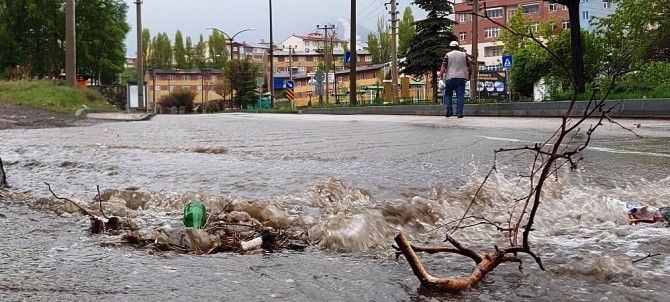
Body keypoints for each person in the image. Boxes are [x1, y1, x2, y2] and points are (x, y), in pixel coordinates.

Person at [440, 41, 474, 118]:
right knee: (460, 95)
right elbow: (470, 67)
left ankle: (449, 110)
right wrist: (469, 75)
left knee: (448, 94)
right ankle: (459, 113)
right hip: (462, 78)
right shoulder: (464, 55)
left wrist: (441, 75)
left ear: (450, 47)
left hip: (450, 78)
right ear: (458, 46)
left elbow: (443, 66)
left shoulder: (448, 55)